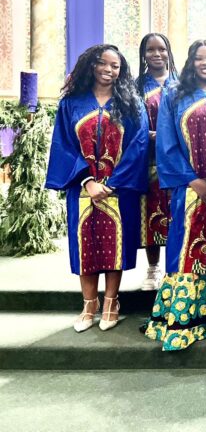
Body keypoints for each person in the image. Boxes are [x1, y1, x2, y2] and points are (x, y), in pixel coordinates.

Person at [45, 44, 148, 333]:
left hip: (119, 189)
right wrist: (88, 182)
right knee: (85, 245)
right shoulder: (72, 103)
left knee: (115, 245)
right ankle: (89, 304)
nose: (109, 70)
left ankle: (111, 302)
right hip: (82, 188)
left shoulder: (131, 103)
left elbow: (139, 144)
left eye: (115, 66)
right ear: (92, 65)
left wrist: (112, 183)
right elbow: (64, 145)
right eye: (103, 63)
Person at [143, 39, 206, 351]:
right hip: (189, 188)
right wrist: (194, 182)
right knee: (185, 247)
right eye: (200, 58)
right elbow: (166, 144)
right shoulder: (175, 95)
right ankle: (183, 317)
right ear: (190, 62)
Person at [135, 32, 177, 291]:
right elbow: (129, 123)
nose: (157, 54)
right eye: (150, 50)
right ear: (143, 54)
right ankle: (153, 268)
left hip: (176, 161)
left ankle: (175, 267)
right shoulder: (136, 87)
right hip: (149, 160)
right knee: (151, 214)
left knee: (175, 214)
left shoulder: (181, 84)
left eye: (161, 49)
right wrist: (148, 135)